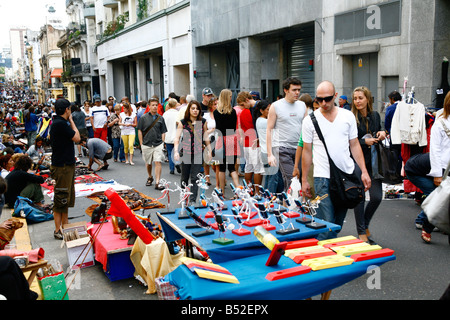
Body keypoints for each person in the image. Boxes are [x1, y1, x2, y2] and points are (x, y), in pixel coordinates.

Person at [301, 81, 371, 240]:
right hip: (322, 179)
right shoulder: (309, 120)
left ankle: (326, 256)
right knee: (326, 226)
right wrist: (304, 179)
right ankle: (319, 261)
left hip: (346, 177)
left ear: (335, 96)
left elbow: (354, 145)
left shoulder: (347, 116)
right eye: (319, 100)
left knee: (337, 225)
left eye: (327, 99)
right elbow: (306, 151)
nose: (323, 103)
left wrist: (364, 172)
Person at [351, 86, 386, 243]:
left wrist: (382, 133)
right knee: (359, 196)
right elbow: (348, 141)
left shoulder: (375, 116)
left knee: (377, 196)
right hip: (356, 161)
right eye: (355, 98)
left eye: (360, 98)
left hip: (373, 161)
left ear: (368, 99)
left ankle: (365, 224)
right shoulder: (351, 117)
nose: (357, 101)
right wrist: (364, 142)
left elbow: (379, 131)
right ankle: (361, 232)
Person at [266, 77, 308, 191]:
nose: (297, 92)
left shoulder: (302, 105)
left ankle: (287, 205)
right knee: (292, 180)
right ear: (286, 90)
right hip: (282, 148)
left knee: (297, 181)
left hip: (300, 148)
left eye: (299, 90)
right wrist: (270, 154)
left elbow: (306, 128)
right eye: (294, 90)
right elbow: (269, 129)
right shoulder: (276, 106)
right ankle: (292, 206)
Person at [49, 98, 80, 240]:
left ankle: (65, 225)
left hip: (64, 164)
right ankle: (58, 229)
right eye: (69, 109)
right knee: (61, 197)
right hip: (62, 166)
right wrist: (72, 122)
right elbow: (77, 138)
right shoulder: (60, 124)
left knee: (65, 197)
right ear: (66, 110)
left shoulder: (58, 123)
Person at [174, 100, 211, 204]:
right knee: (184, 177)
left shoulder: (202, 121)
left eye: (197, 108)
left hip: (198, 153)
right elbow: (177, 138)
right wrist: (176, 151)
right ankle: (184, 198)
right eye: (193, 108)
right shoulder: (183, 122)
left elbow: (206, 136)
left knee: (195, 177)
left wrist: (209, 150)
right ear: (189, 110)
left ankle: (192, 200)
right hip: (185, 153)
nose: (195, 111)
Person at [236, 91, 264, 194]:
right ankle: (257, 192)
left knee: (248, 167)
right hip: (255, 143)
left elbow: (241, 128)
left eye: (243, 104)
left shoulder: (243, 112)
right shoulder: (253, 111)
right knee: (258, 169)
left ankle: (249, 189)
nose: (243, 107)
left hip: (246, 143)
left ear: (247, 100)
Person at [213, 89, 240, 194]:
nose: (231, 98)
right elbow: (234, 127)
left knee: (221, 168)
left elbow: (218, 128)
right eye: (230, 96)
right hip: (230, 138)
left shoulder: (216, 112)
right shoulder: (233, 111)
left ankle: (222, 192)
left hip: (220, 139)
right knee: (232, 167)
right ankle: (238, 190)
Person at [254, 100, 284, 194]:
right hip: (269, 152)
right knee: (273, 177)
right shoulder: (265, 122)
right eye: (268, 109)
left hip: (264, 151)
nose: (270, 112)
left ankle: (266, 196)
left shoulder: (259, 120)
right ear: (261, 111)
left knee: (269, 176)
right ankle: (270, 196)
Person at [137, 97, 167, 190]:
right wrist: (141, 144)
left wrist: (162, 142)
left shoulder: (161, 118)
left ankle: (157, 182)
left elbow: (163, 131)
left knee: (158, 161)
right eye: (152, 105)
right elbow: (139, 131)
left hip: (158, 144)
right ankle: (150, 176)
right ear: (149, 106)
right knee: (148, 163)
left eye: (156, 105)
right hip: (147, 144)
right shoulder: (143, 118)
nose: (154, 107)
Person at [203, 96, 220, 187]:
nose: (216, 106)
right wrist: (211, 130)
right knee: (207, 161)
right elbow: (204, 130)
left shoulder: (220, 114)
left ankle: (219, 178)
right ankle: (207, 178)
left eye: (217, 104)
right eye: (214, 104)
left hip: (218, 140)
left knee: (215, 163)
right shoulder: (206, 116)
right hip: (208, 140)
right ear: (211, 105)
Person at [163, 98, 179, 174]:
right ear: (176, 104)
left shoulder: (165, 114)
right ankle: (177, 163)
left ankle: (171, 168)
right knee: (176, 151)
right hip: (176, 135)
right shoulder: (177, 113)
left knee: (169, 152)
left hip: (168, 135)